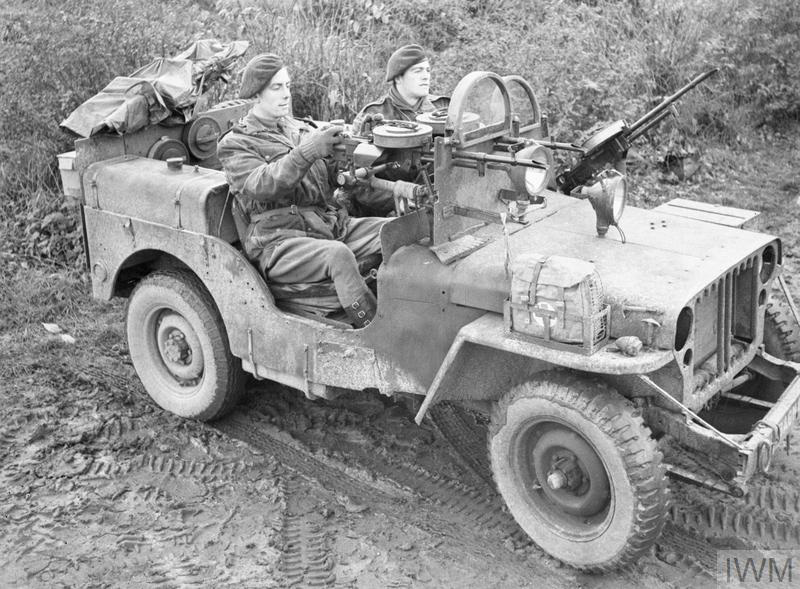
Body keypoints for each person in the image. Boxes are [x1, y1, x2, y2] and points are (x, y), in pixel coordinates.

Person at [217, 54, 386, 328]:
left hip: (326, 224)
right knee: (338, 256)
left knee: (393, 233)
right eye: (276, 87)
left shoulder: (299, 128)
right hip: (278, 241)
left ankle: (401, 317)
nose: (286, 94)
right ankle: (373, 331)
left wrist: (358, 148)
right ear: (256, 94)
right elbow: (262, 184)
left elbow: (328, 177)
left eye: (287, 85)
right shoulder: (236, 143)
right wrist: (308, 151)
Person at [351, 44, 449, 136]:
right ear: (398, 78)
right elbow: (351, 149)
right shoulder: (374, 113)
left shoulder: (443, 106)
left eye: (428, 71)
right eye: (418, 71)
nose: (426, 77)